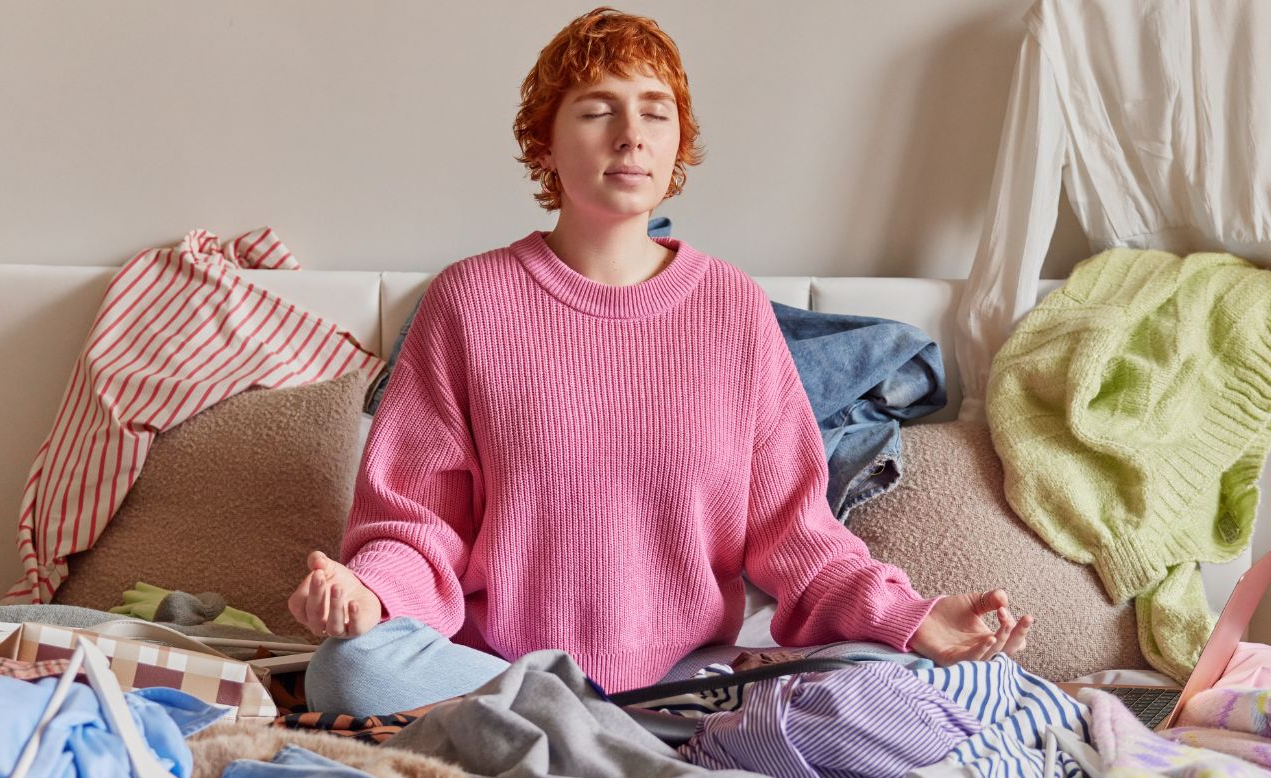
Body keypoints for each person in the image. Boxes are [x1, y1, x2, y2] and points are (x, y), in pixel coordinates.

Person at [286, 7, 1031, 717]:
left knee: (896, 672)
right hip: (501, 672)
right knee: (351, 669)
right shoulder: (469, 302)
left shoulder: (733, 309)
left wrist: (912, 616)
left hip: (684, 674)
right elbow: (419, 525)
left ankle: (597, 733)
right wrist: (370, 594)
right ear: (543, 144)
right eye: (596, 110)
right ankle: (614, 731)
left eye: (654, 110)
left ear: (678, 145)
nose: (630, 135)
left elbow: (796, 535)